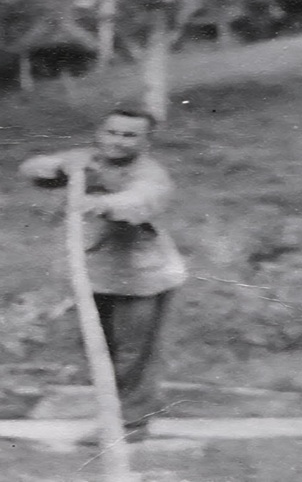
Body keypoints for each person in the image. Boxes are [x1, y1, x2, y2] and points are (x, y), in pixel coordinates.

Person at [19, 109, 187, 444]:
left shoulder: (151, 174)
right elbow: (32, 168)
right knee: (101, 351)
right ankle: (112, 419)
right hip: (96, 273)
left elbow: (140, 199)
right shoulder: (85, 159)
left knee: (135, 355)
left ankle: (131, 425)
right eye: (112, 132)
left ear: (146, 141)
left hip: (143, 277)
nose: (117, 142)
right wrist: (58, 168)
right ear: (100, 132)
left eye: (129, 136)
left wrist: (103, 203)